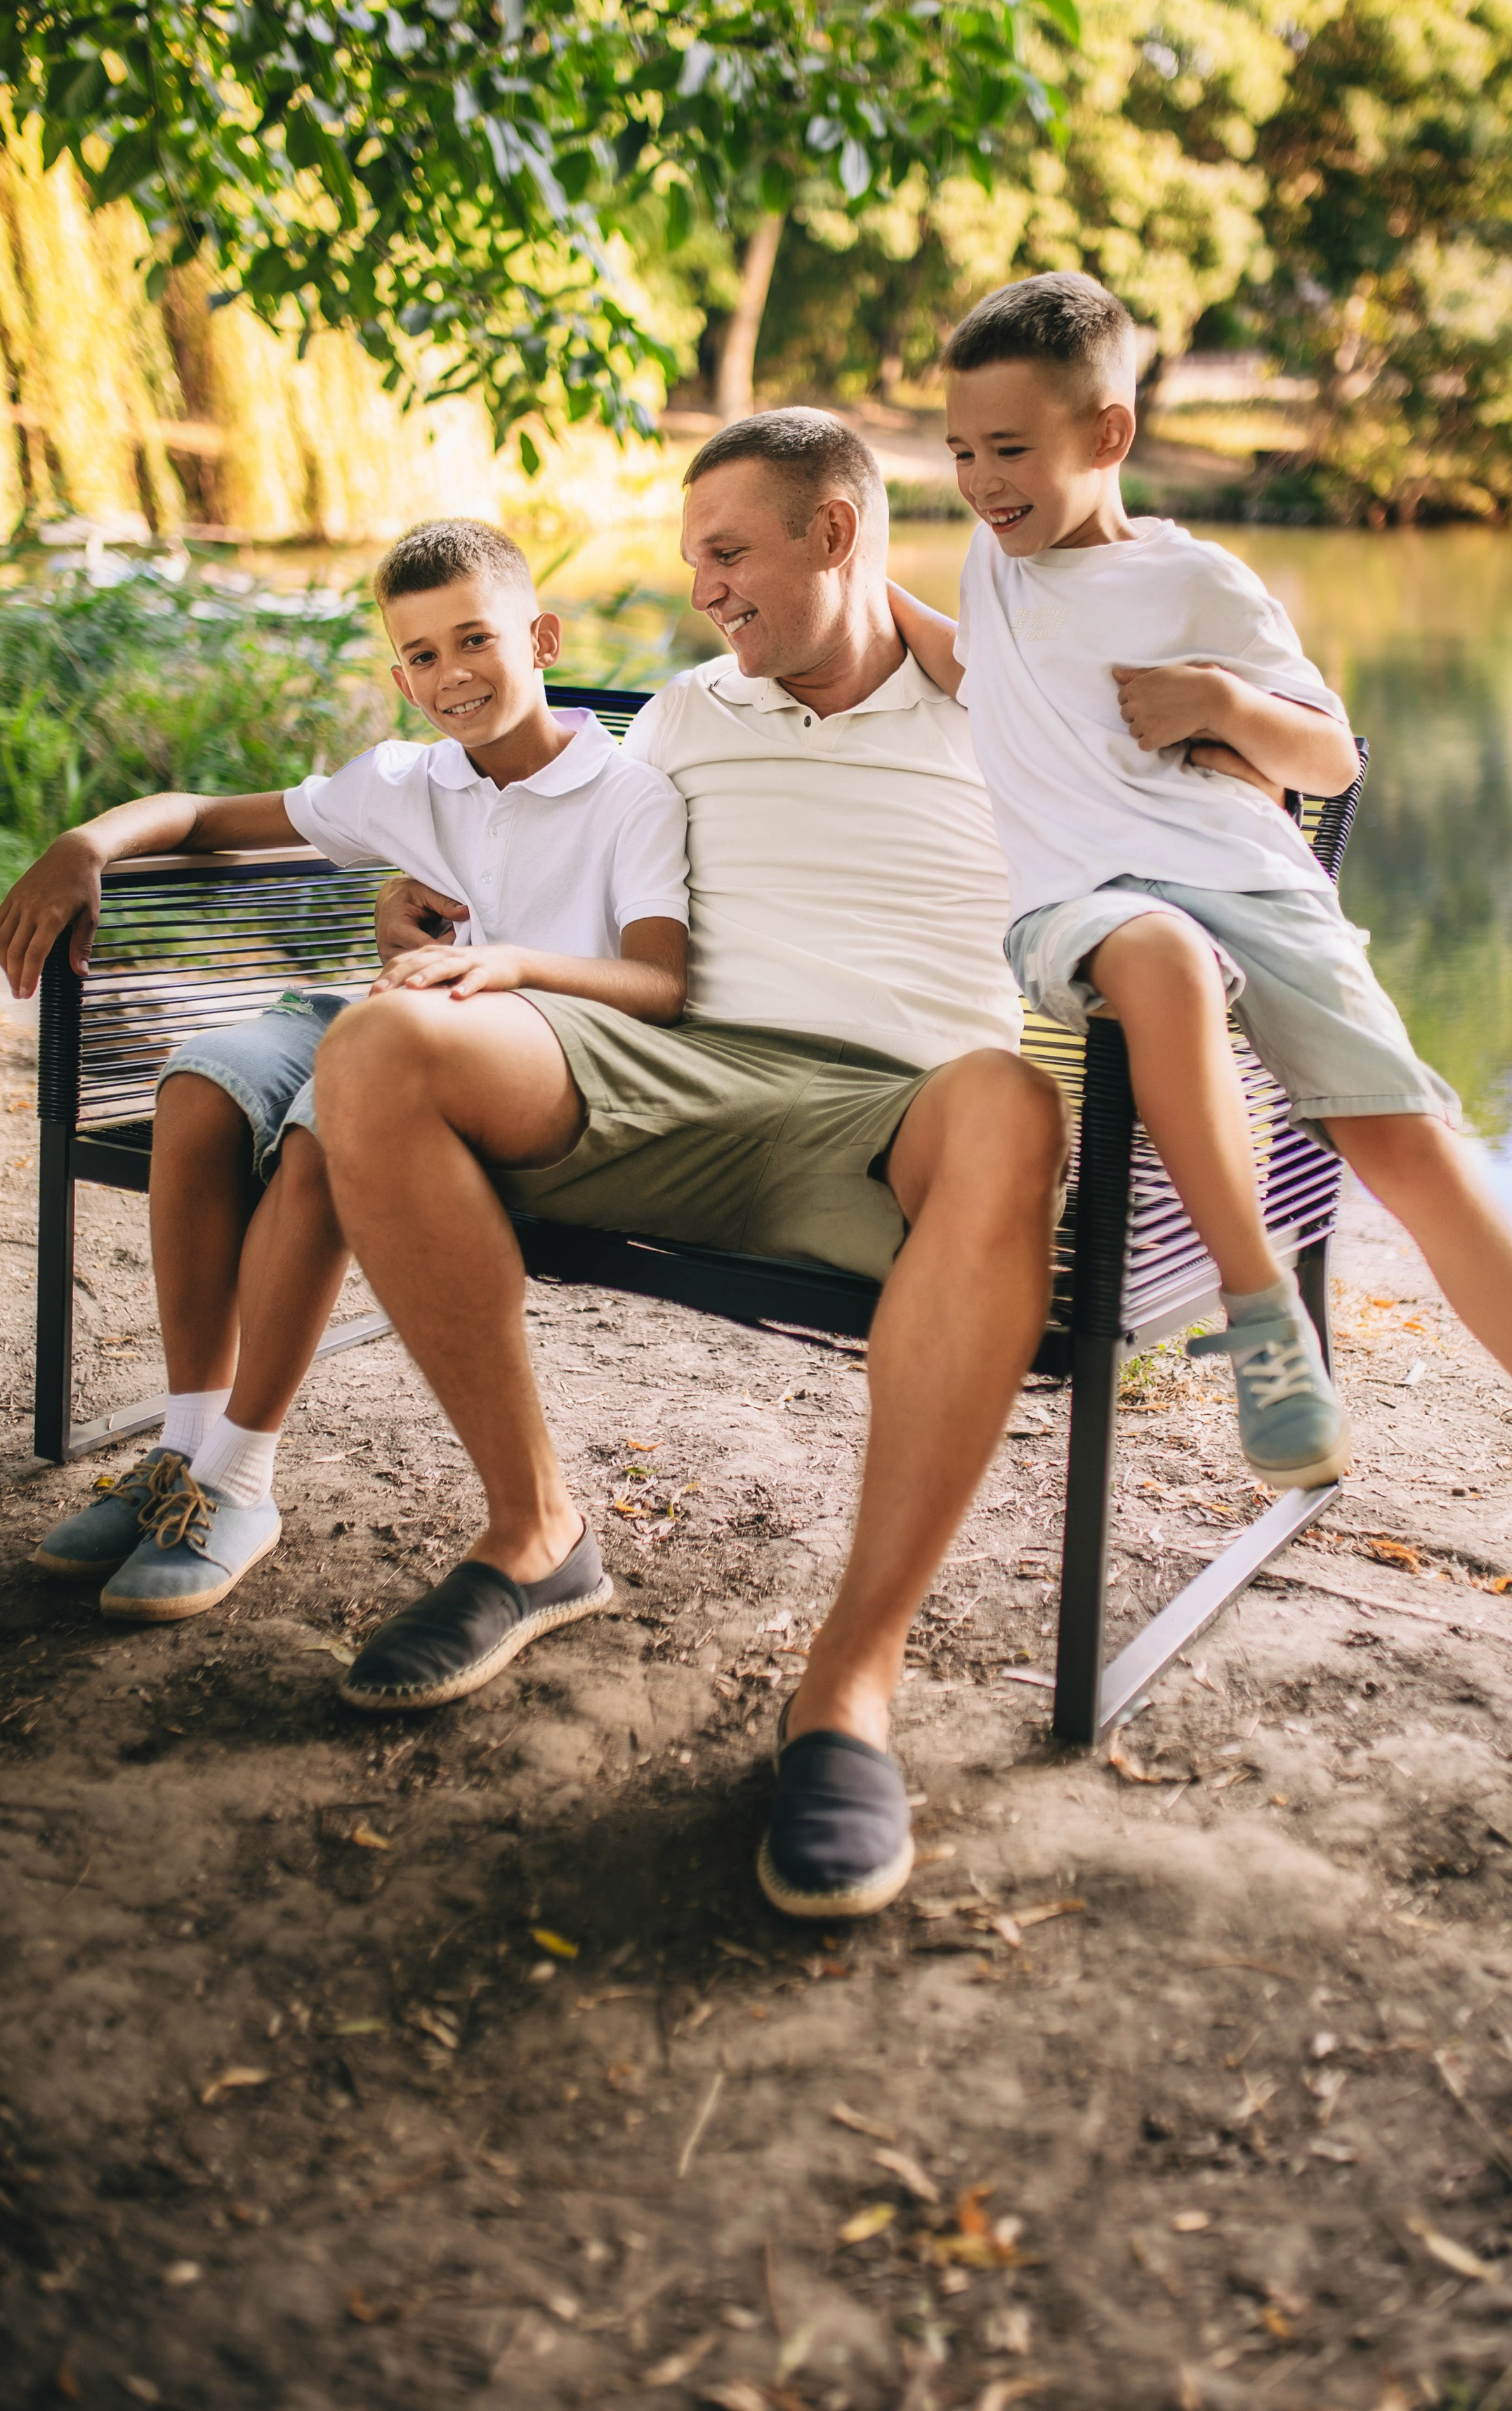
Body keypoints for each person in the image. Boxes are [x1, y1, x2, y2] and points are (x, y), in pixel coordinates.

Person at [882, 268, 1512, 1659]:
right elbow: (969, 662)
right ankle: (1257, 1312)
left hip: (1256, 888)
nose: (981, 482)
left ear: (1103, 437)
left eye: (1011, 451)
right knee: (1154, 954)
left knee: (1412, 1151)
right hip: (1087, 911)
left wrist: (1223, 705)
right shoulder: (990, 566)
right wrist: (828, 587)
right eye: (963, 452)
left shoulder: (1192, 577)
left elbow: (1326, 757)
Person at [313, 410, 1069, 1919]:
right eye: (691, 560)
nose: (702, 588)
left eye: (729, 553)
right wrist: (433, 914)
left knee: (1007, 1104)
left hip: (892, 1112)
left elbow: (1226, 757)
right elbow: (560, 868)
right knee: (377, 1046)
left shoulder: (1006, 711)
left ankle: (846, 1690)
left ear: (838, 535)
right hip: (663, 1076)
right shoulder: (681, 718)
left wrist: (944, 626)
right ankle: (531, 1536)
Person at [0, 519, 689, 1628]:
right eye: (421, 655)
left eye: (476, 640)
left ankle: (240, 1479)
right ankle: (183, 1453)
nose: (452, 674)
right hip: (380, 1015)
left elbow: (660, 982)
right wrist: (87, 844)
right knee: (202, 1085)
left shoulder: (631, 797)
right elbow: (205, 815)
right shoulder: (406, 782)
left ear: (542, 635)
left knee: (328, 1127)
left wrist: (498, 962)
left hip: (502, 1063)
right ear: (401, 677)